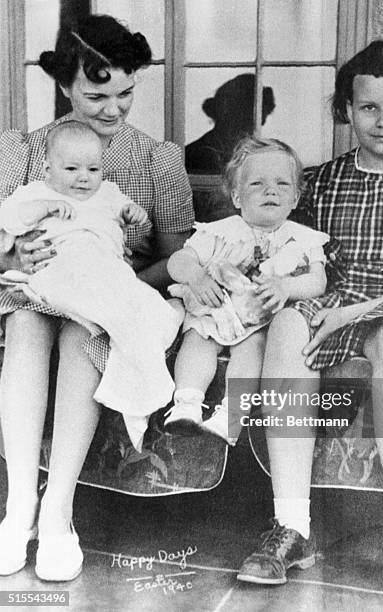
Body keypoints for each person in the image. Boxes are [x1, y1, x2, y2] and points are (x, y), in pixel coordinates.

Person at [237, 41, 383, 607]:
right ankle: (290, 526)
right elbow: (288, 255)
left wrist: (350, 311)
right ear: (347, 109)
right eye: (369, 107)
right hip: (327, 298)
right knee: (289, 329)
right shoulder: (319, 182)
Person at [0, 14, 193, 582]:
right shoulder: (23, 151)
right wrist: (12, 261)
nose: (113, 108)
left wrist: (121, 284)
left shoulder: (159, 159)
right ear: (64, 85)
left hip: (111, 294)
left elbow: (174, 262)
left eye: (126, 92)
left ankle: (58, 512)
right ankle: (18, 511)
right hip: (34, 288)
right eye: (96, 93)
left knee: (85, 332)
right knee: (30, 327)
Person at [0, 120, 184, 451]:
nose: (84, 177)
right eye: (71, 168)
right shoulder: (35, 191)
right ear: (47, 169)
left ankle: (134, 389)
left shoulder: (108, 191)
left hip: (105, 273)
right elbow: (8, 219)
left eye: (93, 169)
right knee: (108, 315)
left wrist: (135, 213)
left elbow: (133, 216)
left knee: (149, 310)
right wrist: (41, 209)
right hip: (57, 267)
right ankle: (137, 395)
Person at [166, 137, 328, 444]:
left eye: (283, 184)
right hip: (215, 309)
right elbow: (179, 260)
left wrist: (287, 286)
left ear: (295, 197)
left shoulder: (303, 240)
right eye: (257, 184)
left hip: (259, 318)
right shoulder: (218, 232)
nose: (271, 191)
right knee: (197, 339)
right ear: (237, 196)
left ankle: (230, 417)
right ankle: (186, 405)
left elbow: (318, 281)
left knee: (253, 350)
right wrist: (197, 277)